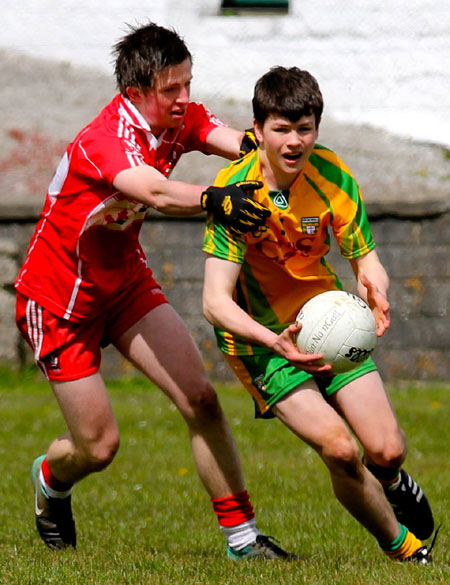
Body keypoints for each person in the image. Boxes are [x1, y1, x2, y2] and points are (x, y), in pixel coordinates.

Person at [14, 22, 297, 561]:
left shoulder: (178, 116)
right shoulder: (103, 140)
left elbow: (237, 145)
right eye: (172, 89)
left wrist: (269, 149)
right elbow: (156, 191)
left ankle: (243, 540)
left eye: (188, 84)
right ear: (136, 92)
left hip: (124, 284)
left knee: (203, 400)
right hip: (59, 302)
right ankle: (52, 478)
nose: (184, 99)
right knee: (99, 447)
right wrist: (219, 199)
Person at [202, 66, 436, 564]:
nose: (293, 141)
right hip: (264, 344)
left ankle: (392, 479)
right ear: (259, 129)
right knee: (341, 450)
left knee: (386, 451)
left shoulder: (331, 175)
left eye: (304, 128)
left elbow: (365, 257)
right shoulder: (237, 193)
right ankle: (406, 550)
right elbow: (214, 302)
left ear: (317, 128)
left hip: (329, 325)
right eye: (281, 129)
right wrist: (275, 343)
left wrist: (375, 288)